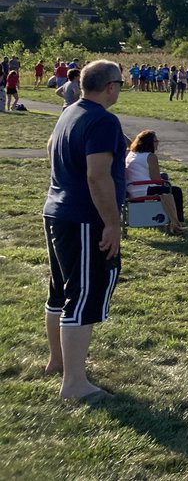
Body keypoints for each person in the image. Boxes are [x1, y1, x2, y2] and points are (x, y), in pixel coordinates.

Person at [42, 59, 126, 399]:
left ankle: (58, 363)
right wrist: (111, 223)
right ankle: (74, 384)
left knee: (60, 292)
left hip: (56, 211)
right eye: (121, 83)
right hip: (83, 219)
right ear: (110, 87)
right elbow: (97, 175)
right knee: (83, 294)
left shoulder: (71, 110)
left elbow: (51, 147)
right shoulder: (103, 120)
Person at [124, 131, 184, 234]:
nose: (158, 143)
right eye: (156, 141)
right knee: (175, 191)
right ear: (149, 143)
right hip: (144, 189)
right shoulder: (150, 156)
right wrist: (164, 181)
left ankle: (173, 222)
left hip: (131, 188)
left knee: (166, 182)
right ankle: (177, 223)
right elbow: (155, 179)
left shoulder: (132, 153)